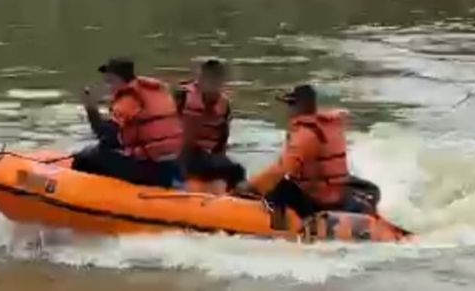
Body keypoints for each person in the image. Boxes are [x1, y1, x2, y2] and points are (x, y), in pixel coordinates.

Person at [236, 84, 350, 219]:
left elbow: (282, 171)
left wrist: (251, 185)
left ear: (298, 107)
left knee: (282, 187)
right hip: (336, 196)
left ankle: (277, 224)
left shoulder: (304, 136)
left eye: (290, 105)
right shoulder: (330, 127)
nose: (287, 111)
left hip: (317, 202)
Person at [71, 57, 184, 188]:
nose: (108, 87)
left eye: (109, 82)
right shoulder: (156, 91)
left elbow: (107, 138)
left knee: (86, 158)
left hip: (152, 169)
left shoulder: (128, 99)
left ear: (116, 79)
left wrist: (90, 108)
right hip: (174, 163)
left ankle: (86, 197)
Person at [174, 58, 246, 188]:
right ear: (201, 79)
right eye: (208, 80)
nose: (212, 86)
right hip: (181, 153)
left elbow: (222, 140)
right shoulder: (183, 97)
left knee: (237, 170)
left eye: (216, 81)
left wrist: (220, 162)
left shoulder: (224, 105)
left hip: (205, 156)